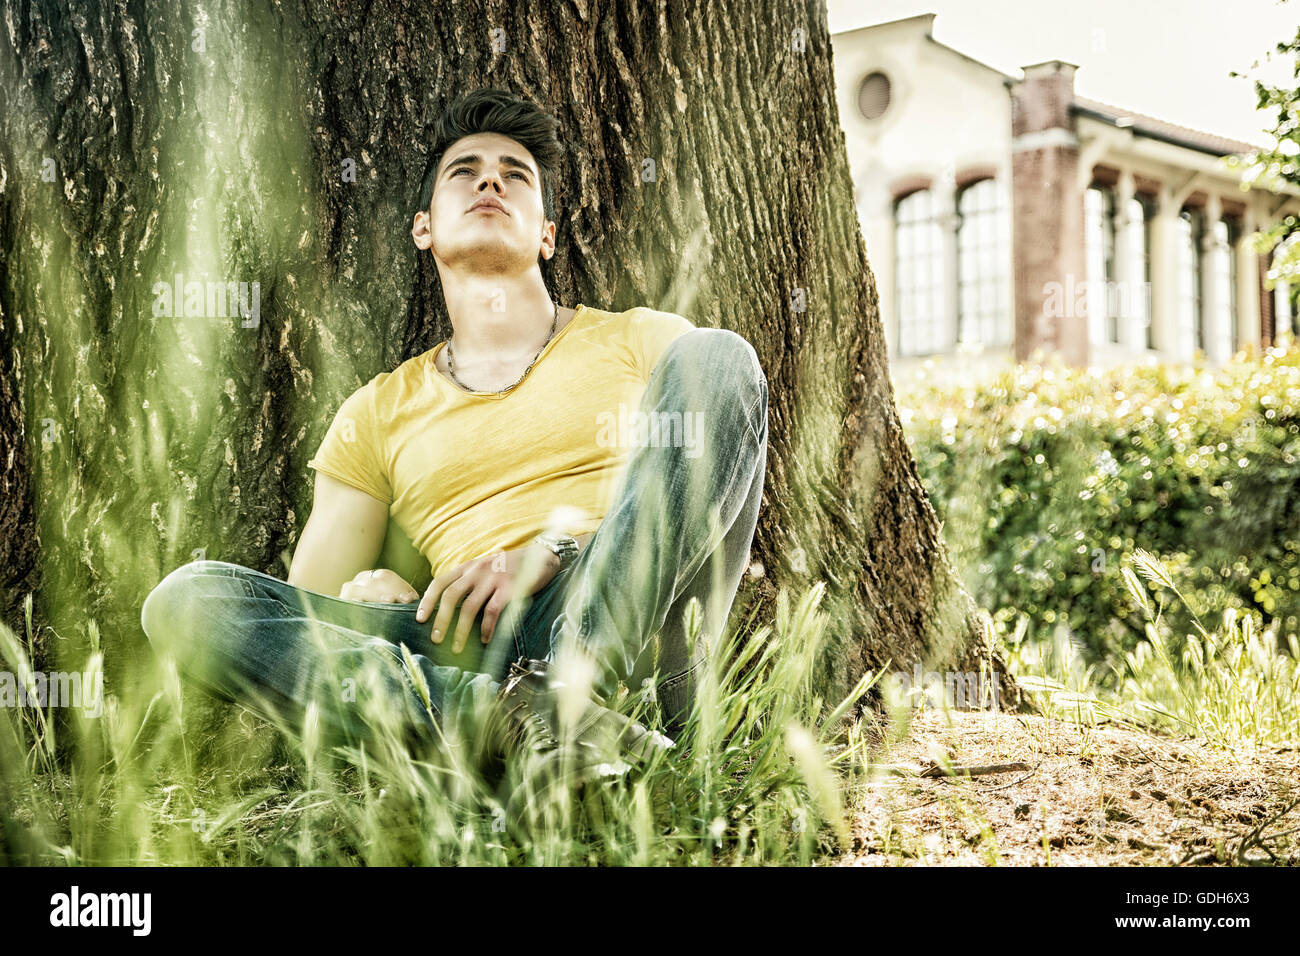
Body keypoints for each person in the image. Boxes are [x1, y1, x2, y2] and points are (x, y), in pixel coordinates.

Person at [140, 88, 768, 777]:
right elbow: (311, 616)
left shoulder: (642, 341)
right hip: (462, 642)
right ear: (424, 227)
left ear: (547, 235)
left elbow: (699, 490)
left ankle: (571, 696)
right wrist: (369, 591)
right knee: (189, 601)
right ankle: (505, 717)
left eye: (515, 174)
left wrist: (555, 549)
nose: (491, 180)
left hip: (623, 608)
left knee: (720, 355)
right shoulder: (377, 412)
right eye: (463, 172)